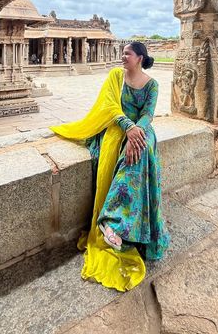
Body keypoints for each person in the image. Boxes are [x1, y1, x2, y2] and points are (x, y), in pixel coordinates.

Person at [50, 41, 169, 292]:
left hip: (141, 130)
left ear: (139, 58)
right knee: (127, 153)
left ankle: (118, 224)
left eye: (127, 53)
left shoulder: (152, 84)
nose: (122, 56)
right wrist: (128, 127)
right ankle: (113, 222)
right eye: (123, 53)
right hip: (117, 128)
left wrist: (137, 131)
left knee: (140, 151)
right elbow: (110, 106)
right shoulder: (116, 76)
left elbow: (148, 113)